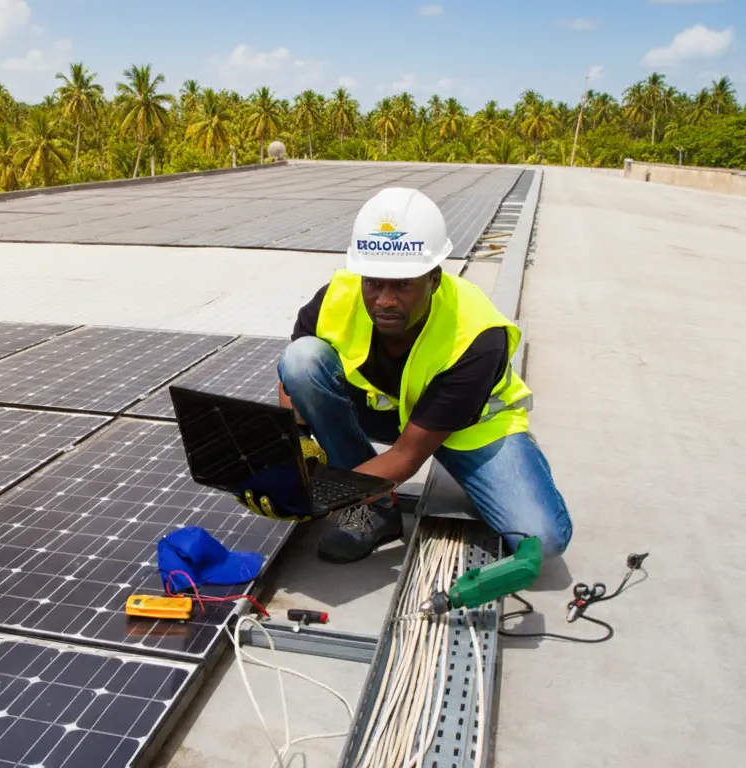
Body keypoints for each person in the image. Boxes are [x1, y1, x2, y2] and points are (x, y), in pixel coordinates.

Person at [241, 187, 573, 564]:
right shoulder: (335, 299)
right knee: (301, 358)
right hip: (386, 414)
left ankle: (490, 468)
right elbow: (292, 380)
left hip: (470, 428)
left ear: (434, 279)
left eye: (403, 284)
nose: (385, 300)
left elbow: (406, 455)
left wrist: (316, 497)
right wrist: (294, 449)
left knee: (543, 540)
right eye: (374, 282)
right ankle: (375, 510)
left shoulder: (477, 335)